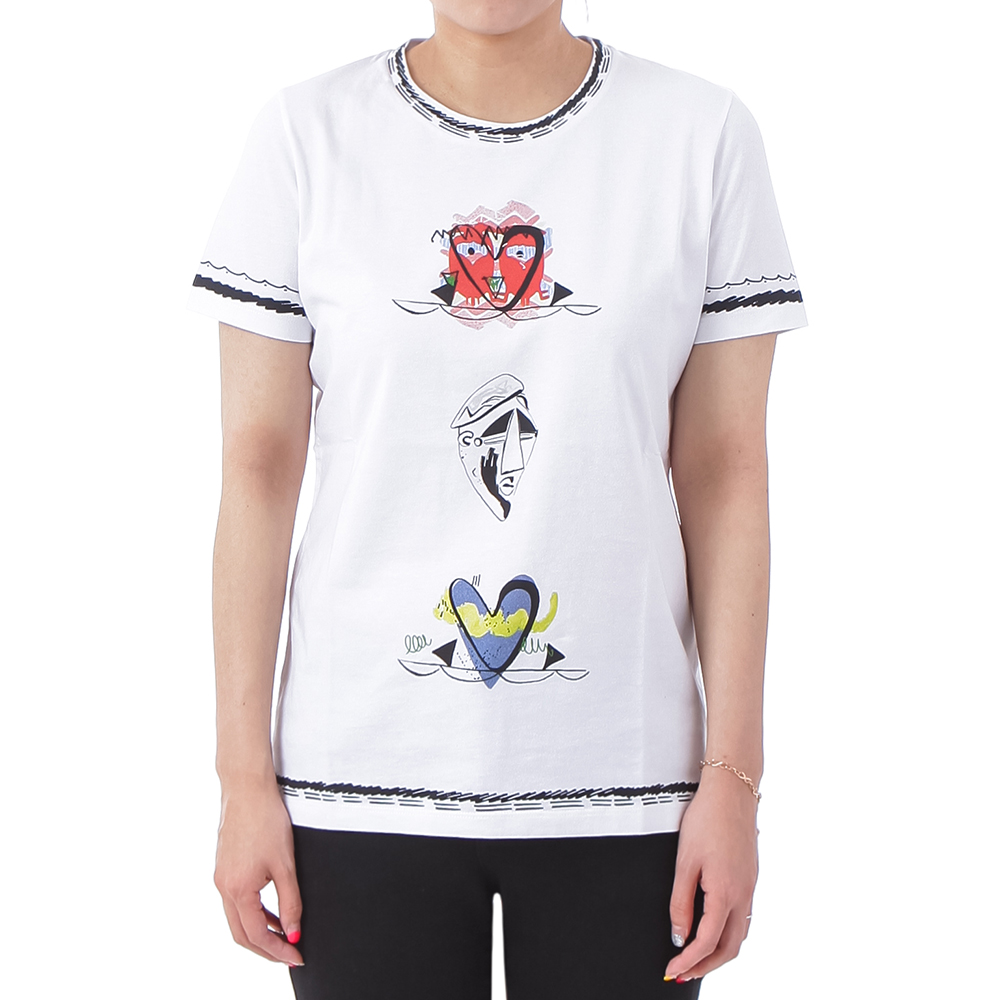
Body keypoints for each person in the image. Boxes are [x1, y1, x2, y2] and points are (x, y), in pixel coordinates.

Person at [187, 2, 807, 997]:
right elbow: (257, 466)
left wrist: (734, 780)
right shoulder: (306, 136)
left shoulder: (700, 137)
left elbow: (725, 469)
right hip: (357, 781)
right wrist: (240, 778)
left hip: (629, 785)